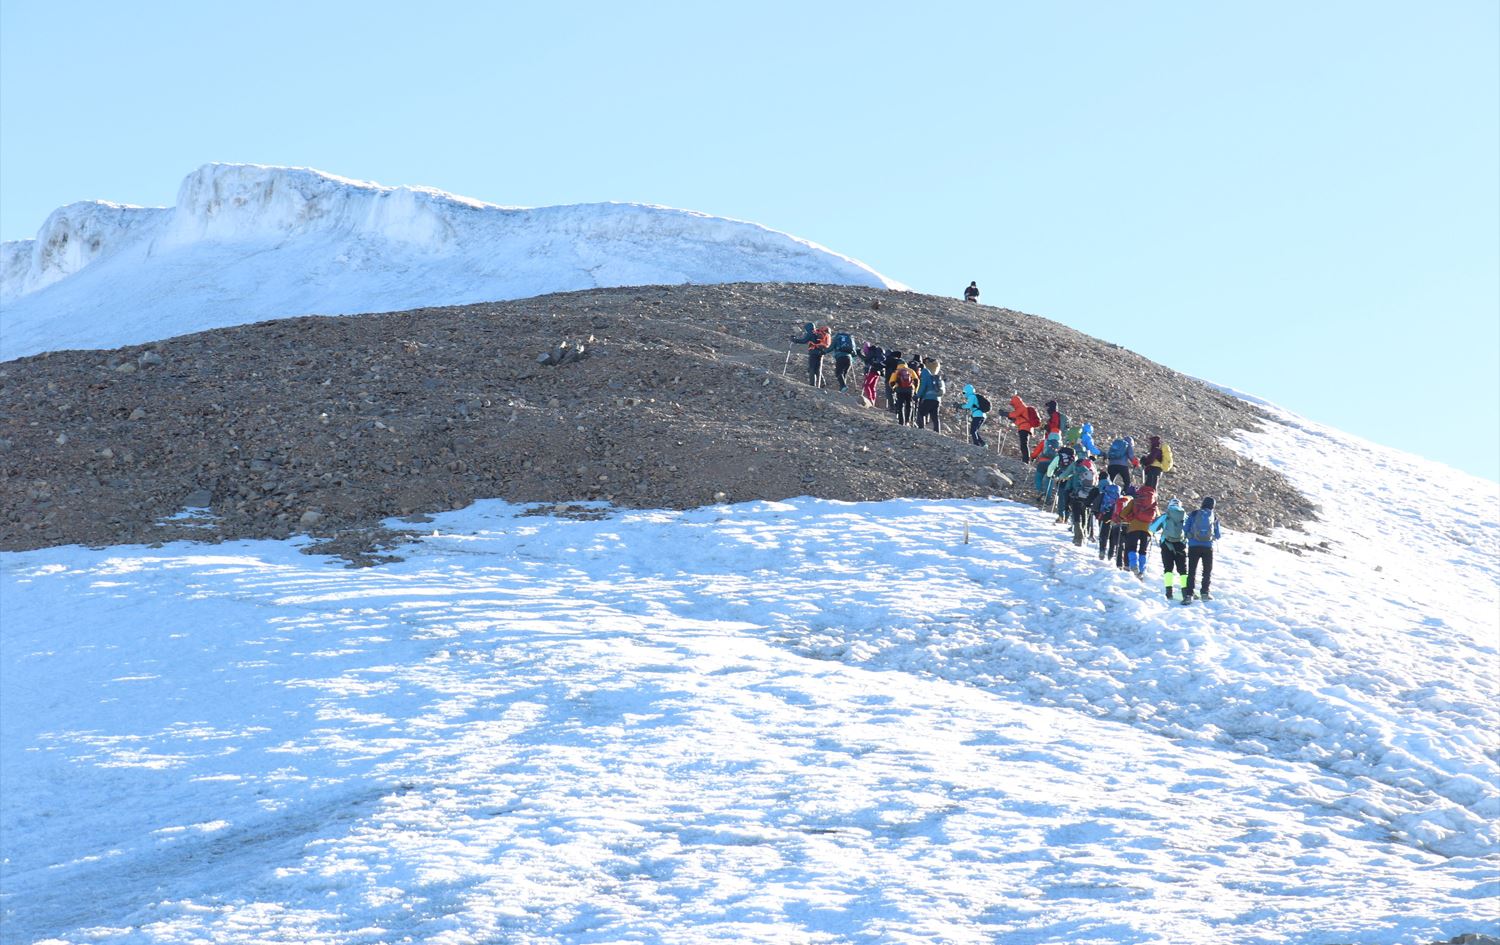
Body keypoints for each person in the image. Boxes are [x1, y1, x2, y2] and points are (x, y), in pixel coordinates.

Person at [1182, 497, 1223, 604]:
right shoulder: (1214, 516)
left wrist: (1190, 536)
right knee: (1207, 571)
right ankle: (1205, 593)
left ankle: (1188, 595)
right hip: (1207, 547)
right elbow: (1218, 535)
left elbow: (1185, 529)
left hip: (1193, 546)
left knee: (1191, 571)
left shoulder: (1194, 514)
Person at [1149, 498, 1189, 600]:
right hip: (1180, 544)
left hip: (1166, 544)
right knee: (1183, 570)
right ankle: (1185, 591)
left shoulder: (1166, 515)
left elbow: (1152, 528)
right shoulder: (1185, 516)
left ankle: (1169, 592)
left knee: (1168, 569)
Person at [1120, 484, 1159, 579]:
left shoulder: (1134, 501)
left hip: (1134, 527)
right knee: (1143, 550)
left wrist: (1128, 518)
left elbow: (1123, 514)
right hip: (1147, 530)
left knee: (1131, 547)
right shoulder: (1154, 504)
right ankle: (1141, 570)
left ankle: (1133, 565)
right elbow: (1157, 518)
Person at [1109, 484, 1136, 569]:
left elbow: (1115, 513)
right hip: (1129, 525)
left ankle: (1119, 564)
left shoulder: (1121, 499)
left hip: (1117, 524)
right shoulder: (1135, 501)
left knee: (1119, 545)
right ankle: (1127, 565)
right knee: (1128, 545)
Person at [1094, 478, 1122, 561]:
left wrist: (1097, 514)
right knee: (1112, 535)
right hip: (1115, 517)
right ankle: (1110, 554)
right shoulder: (1120, 497)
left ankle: (1102, 550)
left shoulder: (1103, 494)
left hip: (1104, 515)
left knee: (1103, 534)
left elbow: (1096, 505)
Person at [915, 358, 945, 432]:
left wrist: (917, 395)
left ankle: (921, 429)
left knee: (920, 413)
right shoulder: (935, 376)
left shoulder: (925, 372)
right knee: (935, 416)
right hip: (937, 399)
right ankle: (937, 431)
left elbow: (923, 386)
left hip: (928, 398)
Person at [1007, 395, 1041, 459]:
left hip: (1024, 428)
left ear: (1015, 402)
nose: (1013, 406)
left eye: (1013, 404)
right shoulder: (1023, 409)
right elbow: (1020, 420)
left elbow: (1014, 414)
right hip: (1026, 428)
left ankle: (1026, 459)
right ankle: (1025, 458)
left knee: (1024, 444)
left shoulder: (1021, 407)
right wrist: (1012, 419)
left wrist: (1006, 414)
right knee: (1024, 444)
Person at [1032, 431, 1062, 503]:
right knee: (1050, 480)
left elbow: (1036, 451)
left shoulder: (1045, 442)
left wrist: (1033, 457)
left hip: (1042, 462)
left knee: (1038, 477)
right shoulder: (1060, 444)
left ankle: (1040, 491)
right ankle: (1048, 498)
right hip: (1053, 463)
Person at [889, 357, 919, 425]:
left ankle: (901, 422)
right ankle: (907, 421)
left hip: (900, 390)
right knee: (909, 405)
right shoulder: (910, 370)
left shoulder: (896, 371)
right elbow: (917, 380)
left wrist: (894, 388)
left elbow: (891, 382)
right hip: (910, 390)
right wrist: (915, 390)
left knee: (900, 405)